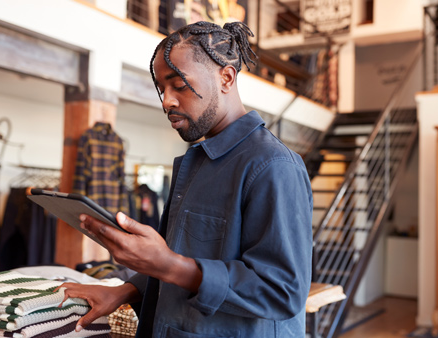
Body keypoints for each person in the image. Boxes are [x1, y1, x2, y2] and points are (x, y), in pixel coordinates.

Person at [57, 21, 313, 338]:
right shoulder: (198, 161)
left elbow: (283, 291)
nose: (166, 101)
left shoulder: (273, 166)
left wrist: (168, 264)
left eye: (178, 85)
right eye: (161, 89)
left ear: (226, 77)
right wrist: (124, 290)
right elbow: (185, 257)